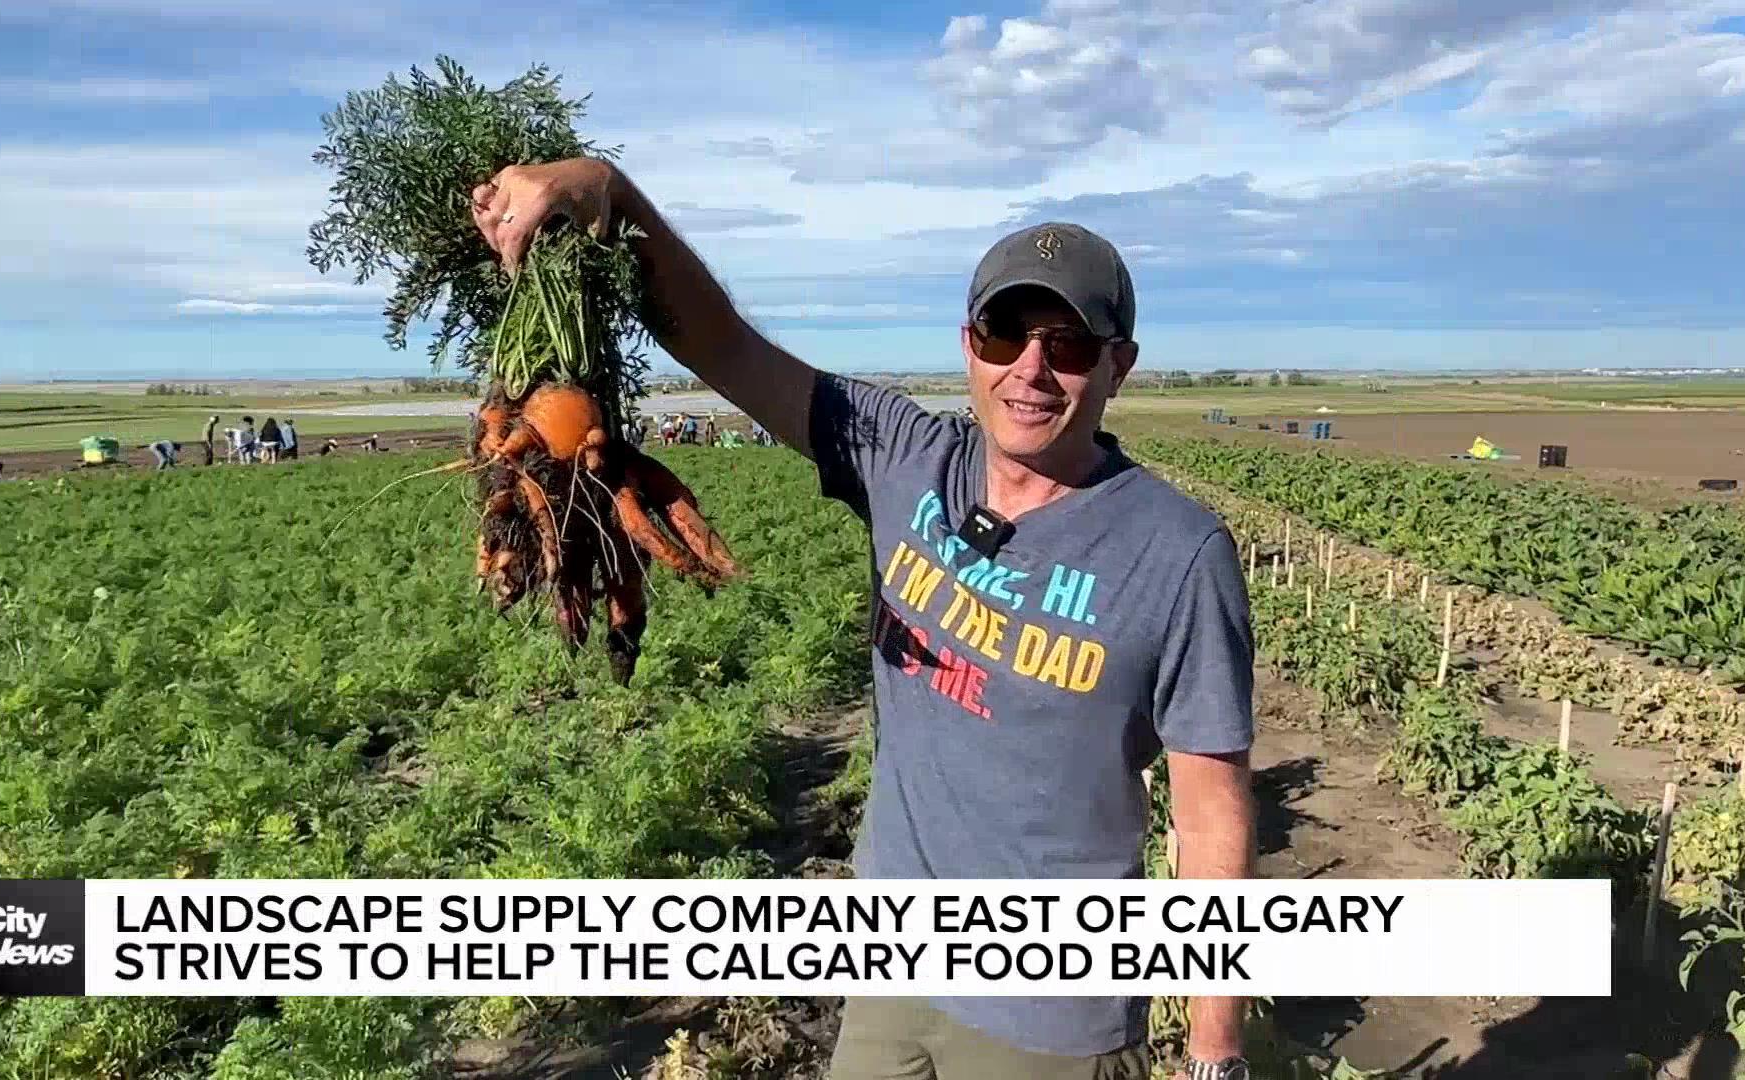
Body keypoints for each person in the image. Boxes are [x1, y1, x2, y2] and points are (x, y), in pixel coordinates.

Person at [471, 160, 1256, 1080]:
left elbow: (1210, 820)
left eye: (1070, 344)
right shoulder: (905, 455)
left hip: (1051, 1015)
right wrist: (608, 192)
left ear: (1118, 365)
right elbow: (722, 343)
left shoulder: (1177, 551)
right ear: (970, 345)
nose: (1031, 369)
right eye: (1006, 334)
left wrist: (1215, 1048)